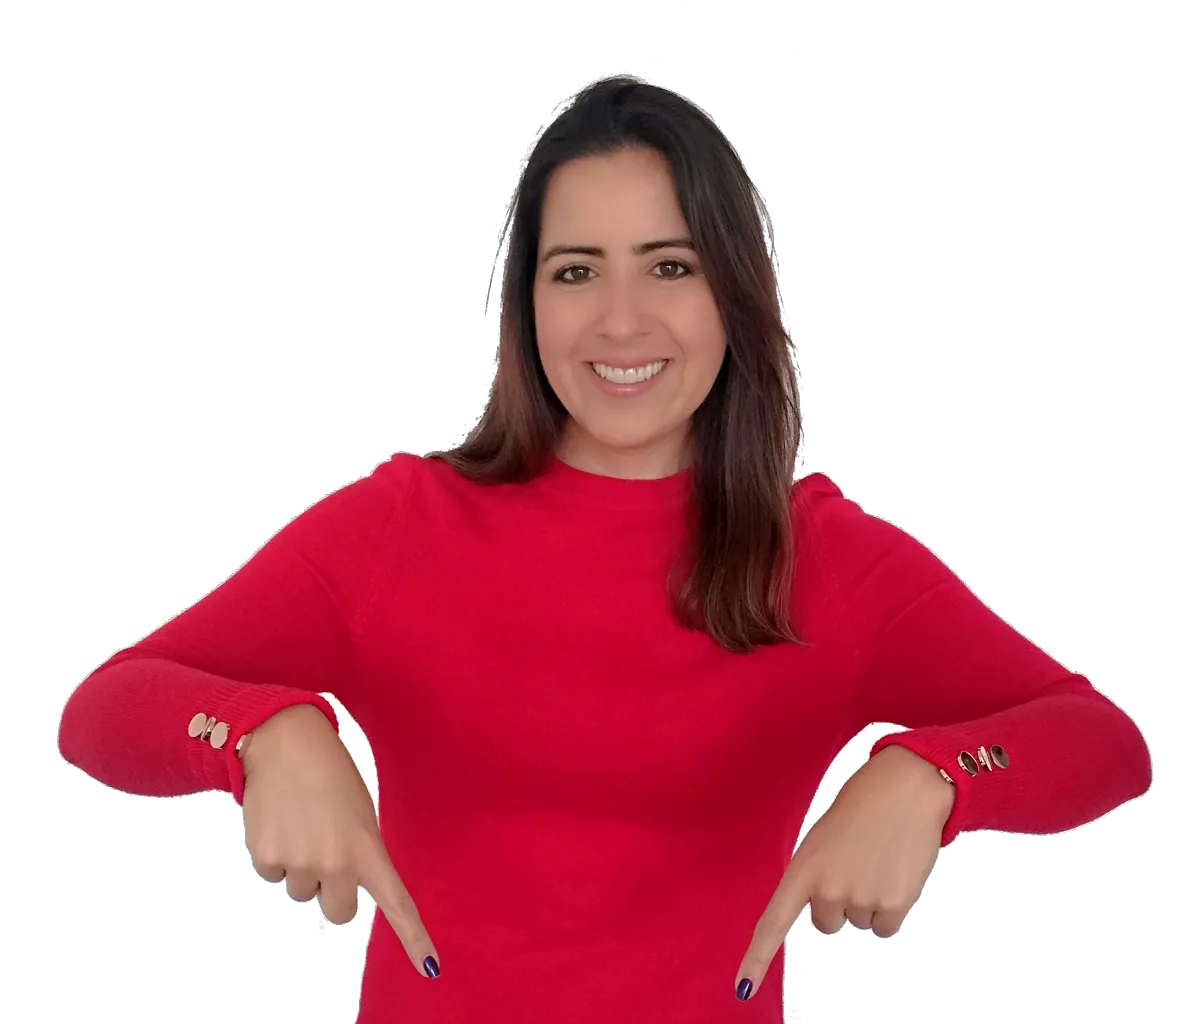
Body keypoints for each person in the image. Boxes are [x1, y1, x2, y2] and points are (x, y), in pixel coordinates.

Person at [57, 73, 1153, 1024]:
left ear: (735, 291)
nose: (621, 322)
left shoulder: (826, 560)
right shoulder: (400, 528)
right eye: (576, 271)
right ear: (526, 302)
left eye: (670, 267)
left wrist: (931, 774)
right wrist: (263, 732)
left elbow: (1100, 741)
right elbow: (103, 709)